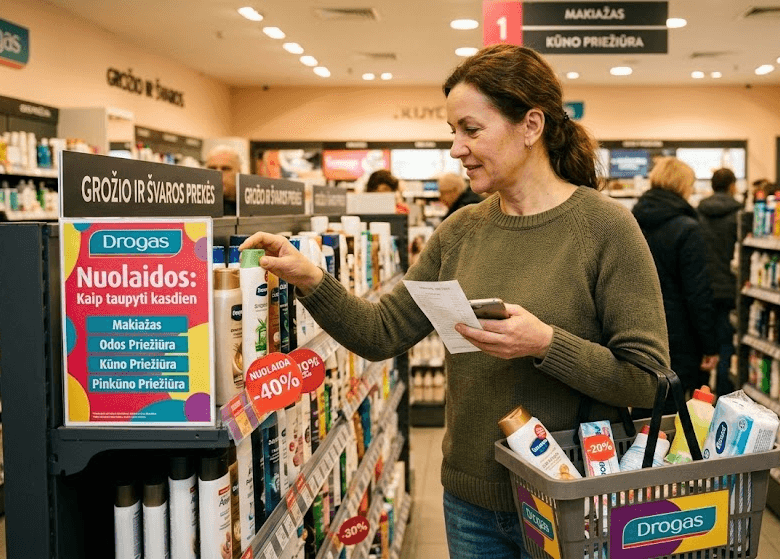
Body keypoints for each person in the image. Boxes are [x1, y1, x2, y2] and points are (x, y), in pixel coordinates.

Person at [241, 44, 668, 559]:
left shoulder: (605, 228)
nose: (456, 149)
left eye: (471, 129)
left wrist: (546, 343)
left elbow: (646, 380)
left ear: (530, 125)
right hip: (471, 505)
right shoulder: (462, 229)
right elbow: (382, 334)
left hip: (572, 499)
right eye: (453, 132)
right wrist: (311, 278)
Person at [632, 157, 718, 397]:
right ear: (683, 187)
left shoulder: (632, 220)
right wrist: (709, 346)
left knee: (644, 405)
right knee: (675, 409)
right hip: (679, 336)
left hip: (637, 327)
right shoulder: (687, 228)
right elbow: (697, 292)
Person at [698, 168, 744, 397]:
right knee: (727, 345)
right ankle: (725, 397)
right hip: (728, 290)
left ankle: (701, 394)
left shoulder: (698, 213)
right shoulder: (739, 215)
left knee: (705, 344)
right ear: (732, 186)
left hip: (703, 289)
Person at [205, 146, 242, 216]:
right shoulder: (194, 208)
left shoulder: (249, 208)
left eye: (225, 168)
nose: (218, 174)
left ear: (239, 172)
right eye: (212, 168)